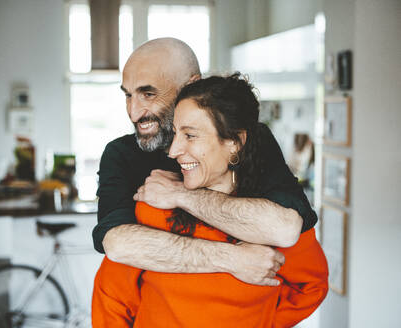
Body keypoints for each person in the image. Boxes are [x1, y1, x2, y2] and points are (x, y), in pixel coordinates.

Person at [92, 74, 328, 327]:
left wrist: (261, 321)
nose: (173, 151)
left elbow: (311, 286)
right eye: (175, 134)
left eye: (190, 136)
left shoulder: (270, 218)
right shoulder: (153, 207)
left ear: (235, 142)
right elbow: (111, 297)